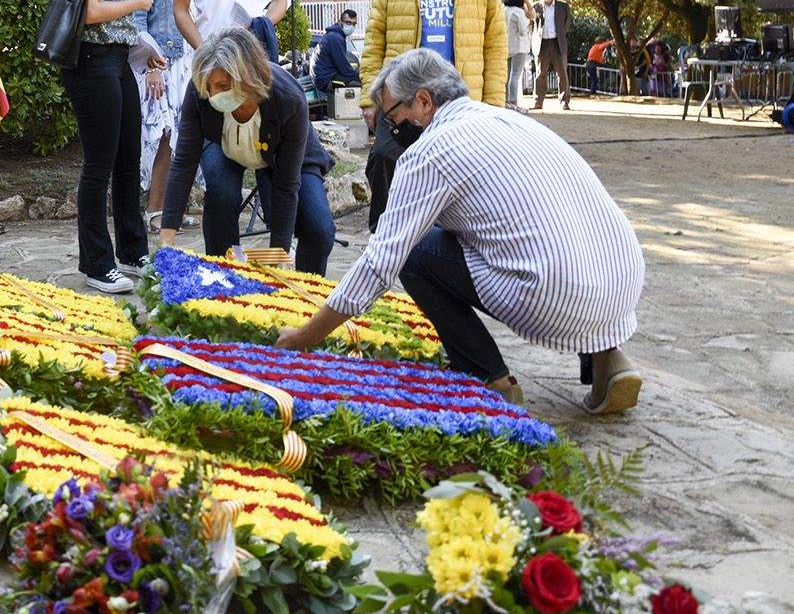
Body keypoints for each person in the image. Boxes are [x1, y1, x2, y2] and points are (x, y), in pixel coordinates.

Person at [276, 49, 645, 414]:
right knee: (536, 242)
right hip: (623, 279)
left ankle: (488, 378)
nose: (387, 129)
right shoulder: (503, 119)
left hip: (555, 295)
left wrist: (305, 336)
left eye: (391, 116)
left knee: (414, 253)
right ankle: (610, 361)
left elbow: (379, 263)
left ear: (423, 101)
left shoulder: (429, 152)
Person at [359, 0, 508, 230]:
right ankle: (385, 237)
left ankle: (440, 245)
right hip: (402, 98)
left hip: (457, 101)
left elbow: (495, 44)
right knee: (384, 158)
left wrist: (495, 104)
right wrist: (370, 99)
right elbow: (374, 42)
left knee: (456, 175)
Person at [158, 29, 336, 274]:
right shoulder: (200, 88)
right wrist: (167, 236)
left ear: (246, 78)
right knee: (221, 192)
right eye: (209, 88)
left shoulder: (288, 99)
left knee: (319, 228)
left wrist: (278, 255)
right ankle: (222, 279)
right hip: (224, 145)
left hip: (281, 153)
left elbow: (287, 186)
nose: (213, 95)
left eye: (222, 85)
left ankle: (308, 293)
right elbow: (184, 163)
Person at [58, 0, 157, 293]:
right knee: (99, 165)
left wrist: (142, 43)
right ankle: (97, 264)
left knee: (127, 158)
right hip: (92, 64)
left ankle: (133, 251)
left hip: (117, 61)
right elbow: (89, 11)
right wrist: (137, 4)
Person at [133, 0, 193, 227]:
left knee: (185, 137)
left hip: (188, 64)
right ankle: (155, 209)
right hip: (158, 66)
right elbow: (136, 25)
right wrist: (153, 66)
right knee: (162, 136)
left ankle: (175, 210)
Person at [533, 0, 572, 109]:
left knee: (562, 73)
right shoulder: (536, 7)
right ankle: (538, 101)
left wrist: (560, 33)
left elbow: (567, 23)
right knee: (540, 73)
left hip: (557, 42)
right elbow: (532, 25)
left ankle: (564, 101)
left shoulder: (563, 6)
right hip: (542, 43)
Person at [313, 8, 361, 94]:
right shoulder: (336, 38)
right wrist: (362, 75)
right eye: (348, 23)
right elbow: (344, 69)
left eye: (354, 24)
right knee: (364, 83)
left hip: (324, 77)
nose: (351, 26)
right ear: (340, 22)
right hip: (326, 80)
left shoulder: (334, 35)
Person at [503, 0, 532, 113]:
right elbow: (523, 30)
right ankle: (514, 102)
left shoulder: (504, 10)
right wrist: (529, 22)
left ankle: (506, 101)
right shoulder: (518, 12)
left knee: (507, 75)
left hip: (507, 46)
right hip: (520, 47)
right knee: (515, 76)